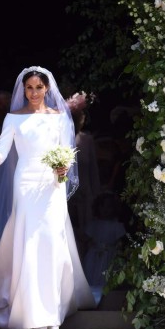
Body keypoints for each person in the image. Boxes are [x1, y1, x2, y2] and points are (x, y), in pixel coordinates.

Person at [0, 66, 95, 329]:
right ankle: (31, 313)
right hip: (25, 183)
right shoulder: (13, 118)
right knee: (29, 242)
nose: (33, 92)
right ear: (23, 89)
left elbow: (66, 156)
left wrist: (62, 173)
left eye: (38, 88)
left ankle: (51, 311)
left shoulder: (60, 118)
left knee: (52, 242)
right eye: (29, 87)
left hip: (52, 186)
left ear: (47, 89)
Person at [66, 92, 101, 260]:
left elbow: (93, 169)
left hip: (84, 195)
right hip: (63, 195)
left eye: (77, 118)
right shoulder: (57, 140)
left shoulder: (87, 140)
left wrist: (96, 195)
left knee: (86, 233)